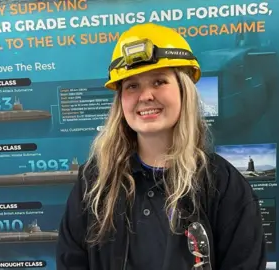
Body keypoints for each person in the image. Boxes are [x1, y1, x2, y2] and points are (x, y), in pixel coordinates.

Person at [56, 22, 267, 270]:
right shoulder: (94, 182)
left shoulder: (222, 184)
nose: (145, 96)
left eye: (159, 82)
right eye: (132, 85)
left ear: (183, 91)